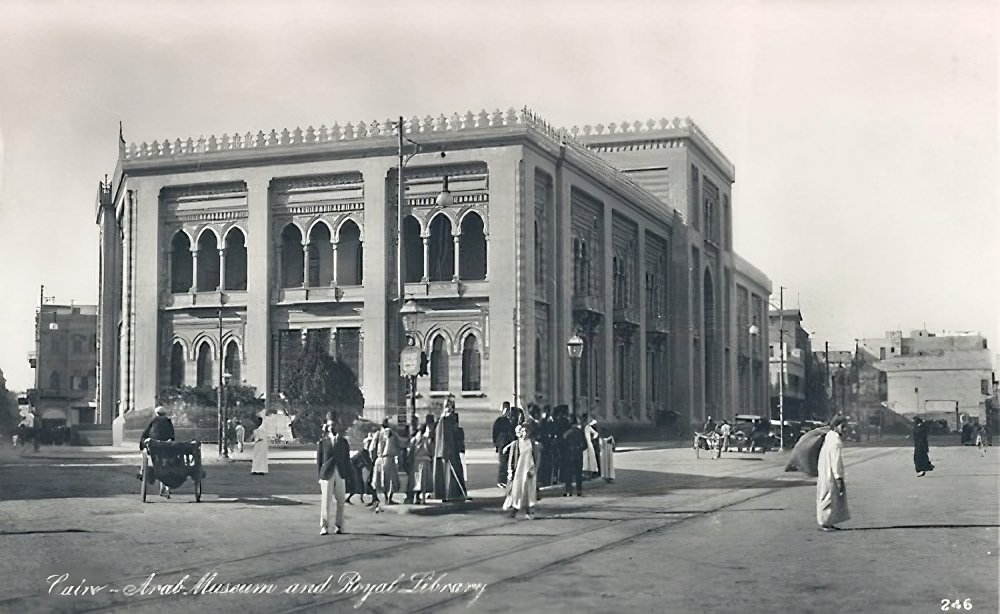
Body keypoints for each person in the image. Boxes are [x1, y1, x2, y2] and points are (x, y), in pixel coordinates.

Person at [317, 418, 351, 535]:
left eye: (335, 425)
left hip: (340, 472)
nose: (333, 427)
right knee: (326, 501)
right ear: (327, 427)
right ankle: (324, 526)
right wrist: (319, 477)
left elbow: (347, 460)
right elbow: (320, 461)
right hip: (327, 473)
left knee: (341, 500)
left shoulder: (343, 442)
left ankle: (339, 525)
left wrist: (348, 475)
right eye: (331, 425)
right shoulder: (323, 442)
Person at [817, 416, 850, 531]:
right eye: (843, 426)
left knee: (825, 496)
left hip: (824, 471)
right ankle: (825, 522)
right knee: (829, 497)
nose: (845, 429)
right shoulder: (835, 441)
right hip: (830, 473)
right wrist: (839, 478)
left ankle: (827, 521)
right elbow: (836, 461)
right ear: (836, 426)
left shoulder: (829, 436)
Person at [502, 423, 542, 519]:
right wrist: (510, 471)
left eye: (526, 431)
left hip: (529, 470)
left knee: (529, 491)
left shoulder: (532, 443)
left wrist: (535, 469)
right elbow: (512, 458)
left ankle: (528, 512)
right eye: (523, 431)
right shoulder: (516, 444)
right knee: (517, 490)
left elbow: (537, 457)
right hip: (519, 471)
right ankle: (514, 510)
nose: (525, 433)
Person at [140, 406, 176, 498]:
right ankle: (166, 487)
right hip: (166, 446)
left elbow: (145, 433)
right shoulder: (168, 421)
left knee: (147, 456)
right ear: (165, 414)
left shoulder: (154, 421)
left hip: (154, 447)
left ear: (156, 414)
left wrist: (142, 446)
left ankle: (142, 471)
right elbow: (172, 435)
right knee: (167, 464)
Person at [371, 419, 403, 507]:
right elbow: (399, 444)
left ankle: (385, 498)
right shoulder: (393, 434)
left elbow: (372, 448)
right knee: (392, 479)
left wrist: (373, 458)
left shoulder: (377, 434)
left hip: (380, 459)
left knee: (382, 480)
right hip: (390, 458)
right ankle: (389, 498)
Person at [492, 402, 516, 488]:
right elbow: (495, 433)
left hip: (509, 444)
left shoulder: (510, 420)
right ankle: (501, 480)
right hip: (502, 444)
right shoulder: (500, 421)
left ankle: (505, 480)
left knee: (508, 463)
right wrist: (496, 444)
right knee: (502, 463)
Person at [561, 415, 586, 496]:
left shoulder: (566, 433)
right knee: (578, 473)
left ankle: (569, 491)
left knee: (568, 473)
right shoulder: (580, 431)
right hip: (578, 454)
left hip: (568, 455)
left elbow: (562, 444)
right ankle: (579, 490)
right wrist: (580, 449)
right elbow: (585, 444)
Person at [409, 424, 434, 504]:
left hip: (416, 461)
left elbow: (410, 451)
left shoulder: (414, 439)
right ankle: (423, 499)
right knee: (424, 480)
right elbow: (432, 450)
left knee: (417, 479)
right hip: (426, 461)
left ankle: (416, 498)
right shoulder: (427, 439)